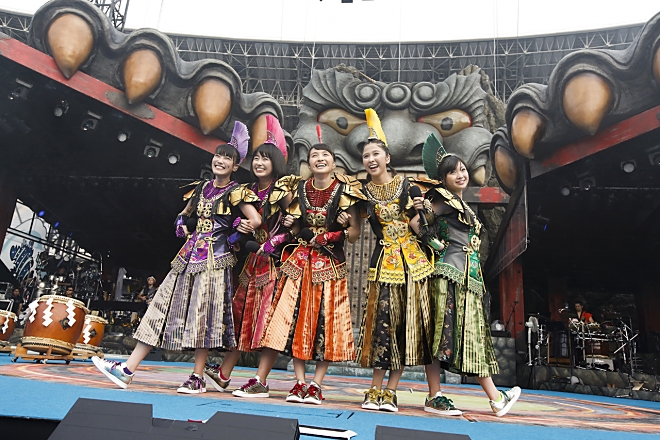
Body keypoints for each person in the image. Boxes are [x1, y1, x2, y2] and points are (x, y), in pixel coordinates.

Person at [91, 121, 262, 394]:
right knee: (160, 305)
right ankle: (127, 370)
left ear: (235, 165)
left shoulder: (237, 191)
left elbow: (255, 219)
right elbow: (184, 213)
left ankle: (197, 377)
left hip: (214, 260)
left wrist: (239, 230)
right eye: (218, 155)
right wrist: (181, 224)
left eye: (227, 158)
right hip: (187, 257)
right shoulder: (202, 187)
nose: (220, 161)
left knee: (203, 317)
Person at [232, 142, 364, 405]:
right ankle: (298, 382)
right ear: (309, 162)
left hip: (329, 264)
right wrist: (292, 226)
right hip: (299, 262)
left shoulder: (345, 191)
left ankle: (316, 384)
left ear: (334, 162)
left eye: (325, 155)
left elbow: (354, 234)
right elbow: (294, 229)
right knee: (290, 321)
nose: (319, 159)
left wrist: (335, 233)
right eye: (314, 155)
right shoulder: (300, 189)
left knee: (326, 324)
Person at [411, 133, 521, 417]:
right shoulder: (443, 199)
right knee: (441, 334)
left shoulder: (461, 204)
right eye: (452, 172)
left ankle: (494, 398)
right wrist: (436, 244)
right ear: (443, 178)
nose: (460, 174)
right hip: (449, 275)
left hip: (467, 278)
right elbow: (416, 222)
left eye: (462, 169)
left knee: (466, 335)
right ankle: (439, 395)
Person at [355, 109, 435, 413]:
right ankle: (374, 387)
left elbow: (418, 225)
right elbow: (354, 231)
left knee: (404, 325)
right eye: (366, 156)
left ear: (387, 157)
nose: (371, 159)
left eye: (375, 153)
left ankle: (391, 390)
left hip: (413, 265)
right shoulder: (361, 193)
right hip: (383, 264)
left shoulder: (408, 186)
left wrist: (425, 214)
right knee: (382, 326)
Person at [204, 116, 292, 392]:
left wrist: (277, 239)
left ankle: (261, 380)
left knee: (268, 320)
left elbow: (297, 226)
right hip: (252, 262)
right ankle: (224, 373)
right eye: (256, 158)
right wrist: (238, 229)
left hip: (276, 262)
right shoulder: (248, 190)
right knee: (241, 316)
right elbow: (240, 224)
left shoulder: (284, 190)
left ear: (275, 162)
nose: (259, 163)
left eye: (265, 158)